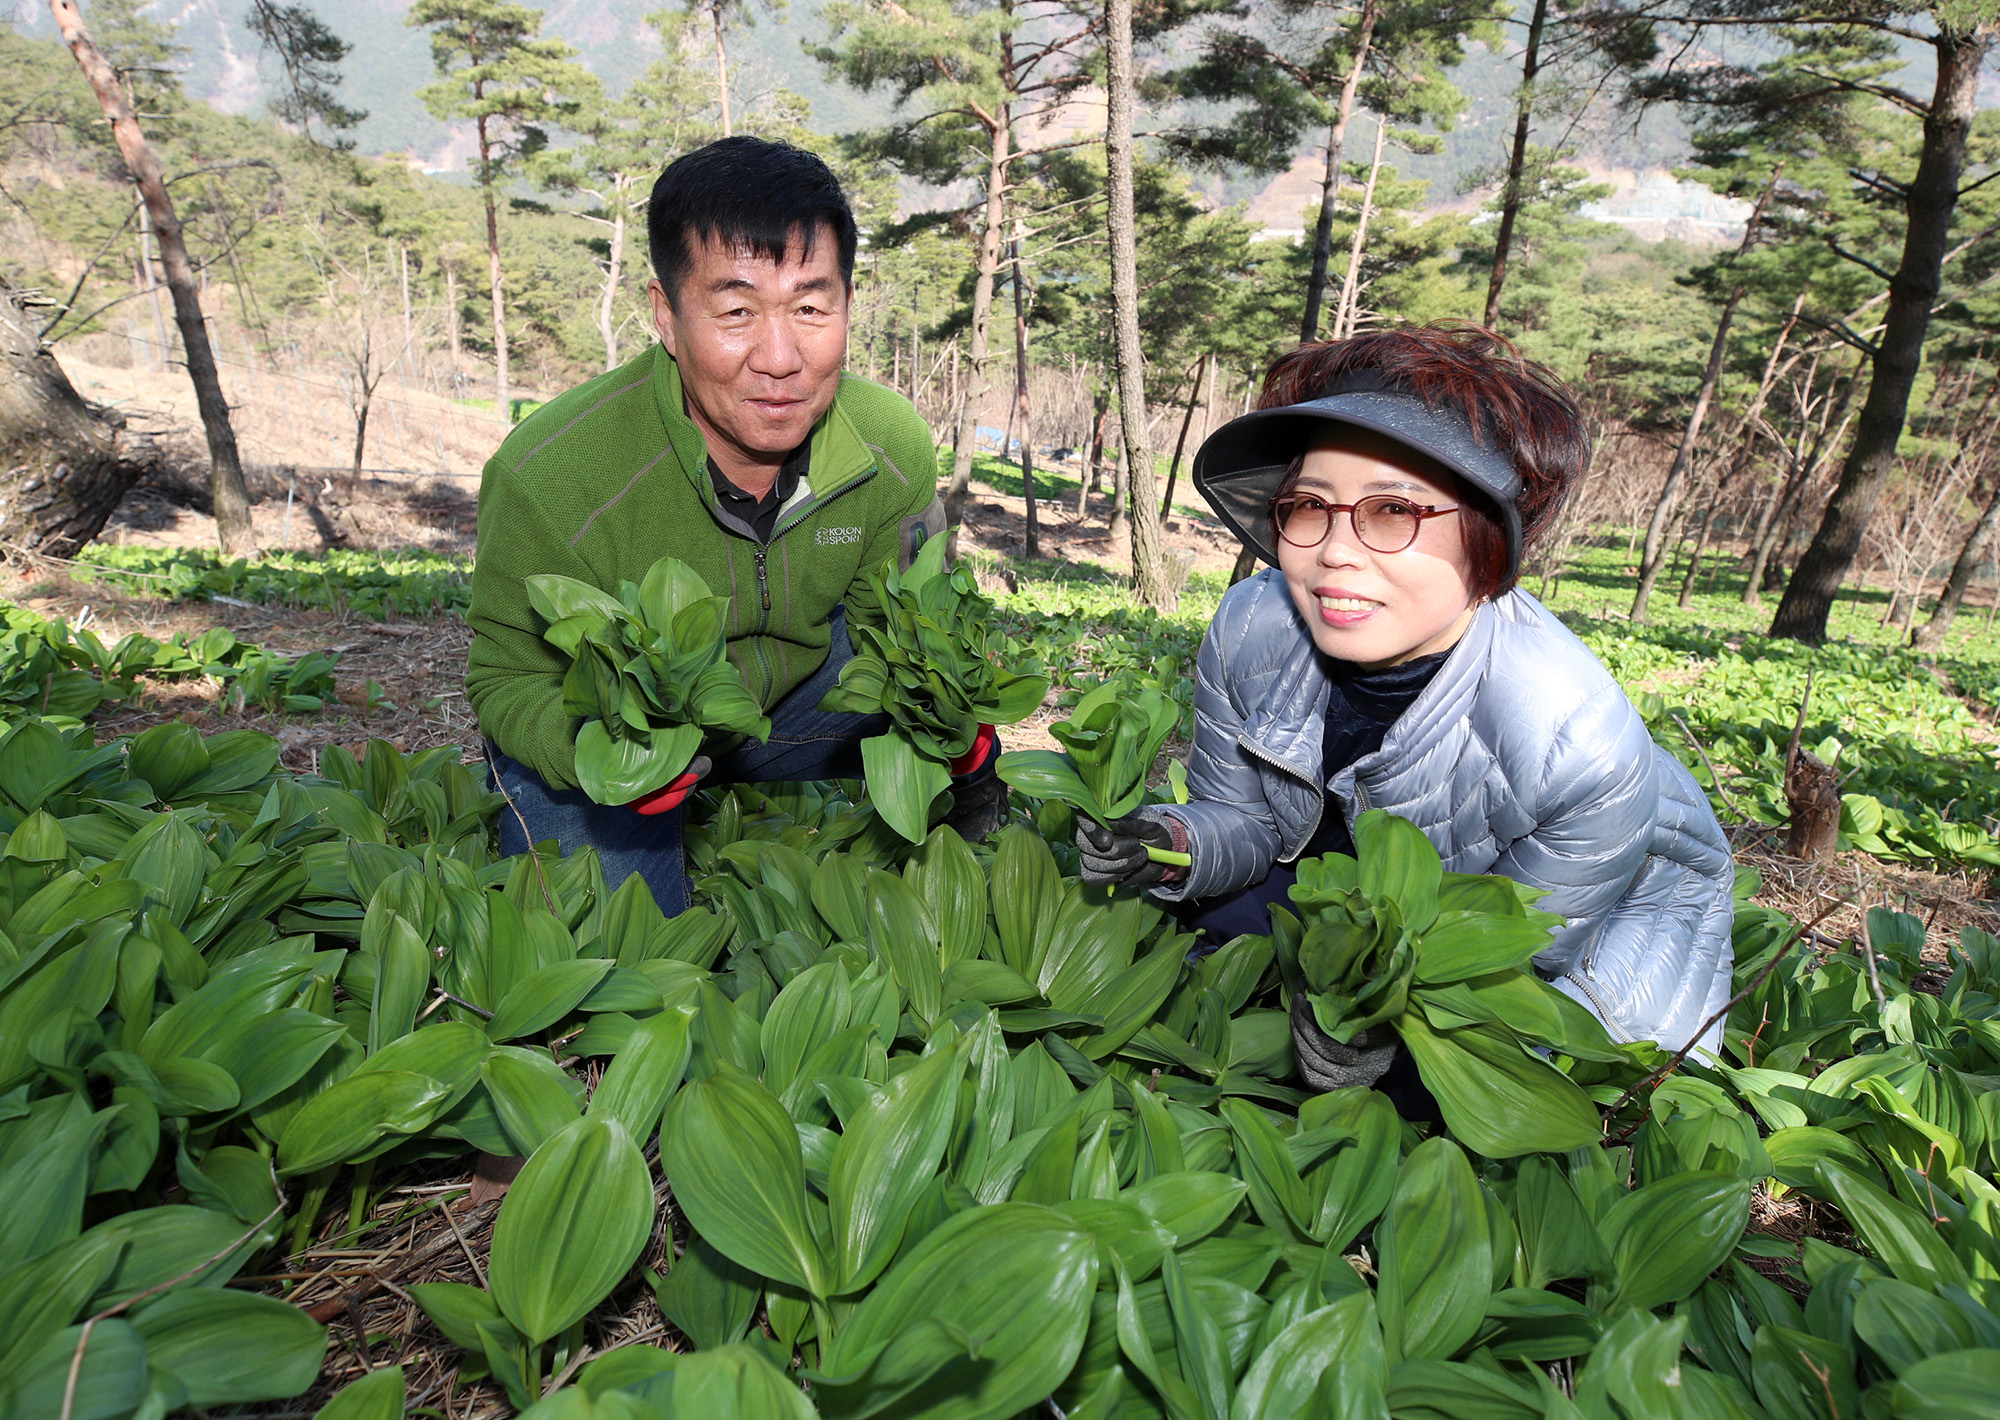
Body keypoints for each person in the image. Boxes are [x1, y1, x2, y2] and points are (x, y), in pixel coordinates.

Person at [1076, 324, 1734, 1104]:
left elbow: (1499, 964)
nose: (1335, 553)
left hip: (1603, 926)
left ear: (1489, 547)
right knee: (1190, 930)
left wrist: (1391, 1050)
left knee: (1506, 1085)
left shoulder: (1575, 744)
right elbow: (1243, 823)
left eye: (1393, 510)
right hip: (1361, 872)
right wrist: (1170, 842)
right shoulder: (1254, 626)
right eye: (1308, 506)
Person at [467, 137, 998, 915]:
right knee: (611, 953)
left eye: (812, 308)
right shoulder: (552, 475)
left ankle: (977, 806)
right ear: (667, 316)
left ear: (849, 305)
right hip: (627, 729)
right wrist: (598, 753)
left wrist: (957, 722)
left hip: (799, 698)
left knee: (928, 684)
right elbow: (505, 677)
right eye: (736, 311)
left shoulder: (890, 444)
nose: (780, 358)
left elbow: (914, 628)